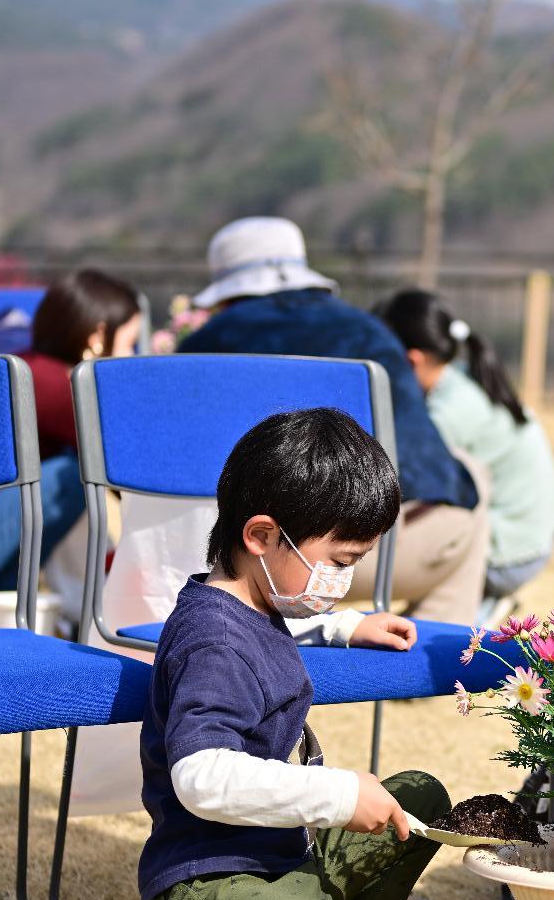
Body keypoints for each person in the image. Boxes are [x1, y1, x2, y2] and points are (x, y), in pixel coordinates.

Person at [140, 405, 452, 900]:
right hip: (206, 886)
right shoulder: (213, 644)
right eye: (338, 562)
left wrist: (345, 625)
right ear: (260, 536)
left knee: (419, 798)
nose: (344, 577)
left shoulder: (252, 599)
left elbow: (276, 619)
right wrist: (335, 796)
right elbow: (200, 776)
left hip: (277, 861)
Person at [179, 217, 489, 626]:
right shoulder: (370, 332)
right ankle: (426, 666)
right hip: (424, 540)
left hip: (285, 559)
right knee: (470, 472)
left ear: (226, 294)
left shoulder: (208, 345)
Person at [0, 266, 142, 611]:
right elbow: (121, 464)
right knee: (75, 474)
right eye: (129, 343)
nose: (134, 356)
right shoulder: (55, 387)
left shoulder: (27, 365)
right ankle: (13, 604)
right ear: (97, 336)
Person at [376, 287, 554, 623]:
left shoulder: (449, 413)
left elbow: (408, 483)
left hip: (507, 553)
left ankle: (481, 610)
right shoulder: (464, 382)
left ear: (410, 360)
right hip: (531, 536)